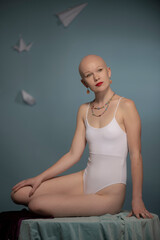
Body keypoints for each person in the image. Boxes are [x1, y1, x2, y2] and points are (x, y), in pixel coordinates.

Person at [11, 54, 153, 219]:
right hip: (85, 179)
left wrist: (137, 199)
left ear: (108, 72)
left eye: (99, 70)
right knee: (19, 194)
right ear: (84, 82)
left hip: (109, 194)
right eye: (88, 75)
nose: (96, 77)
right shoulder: (84, 110)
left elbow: (136, 155)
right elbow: (73, 154)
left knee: (36, 204)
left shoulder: (126, 106)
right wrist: (39, 178)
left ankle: (81, 203)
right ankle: (79, 200)